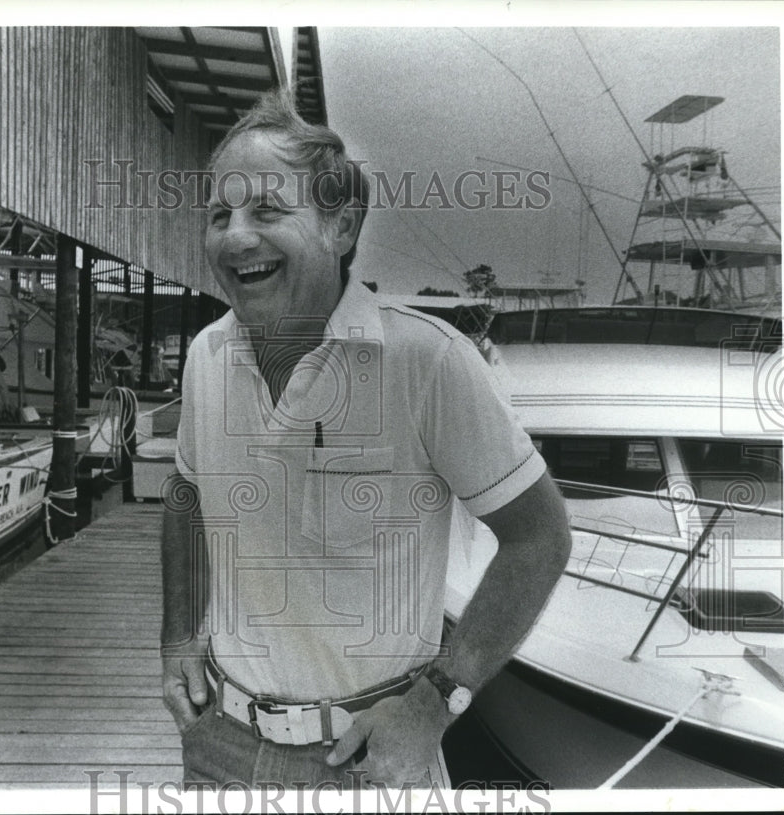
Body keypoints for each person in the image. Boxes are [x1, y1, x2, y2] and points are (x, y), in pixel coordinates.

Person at [160, 90, 572, 789]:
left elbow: (540, 538)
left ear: (341, 226)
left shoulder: (426, 361)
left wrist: (437, 702)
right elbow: (187, 493)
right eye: (219, 215)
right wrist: (177, 634)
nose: (234, 237)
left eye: (266, 209)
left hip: (364, 762)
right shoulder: (205, 352)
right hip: (217, 747)